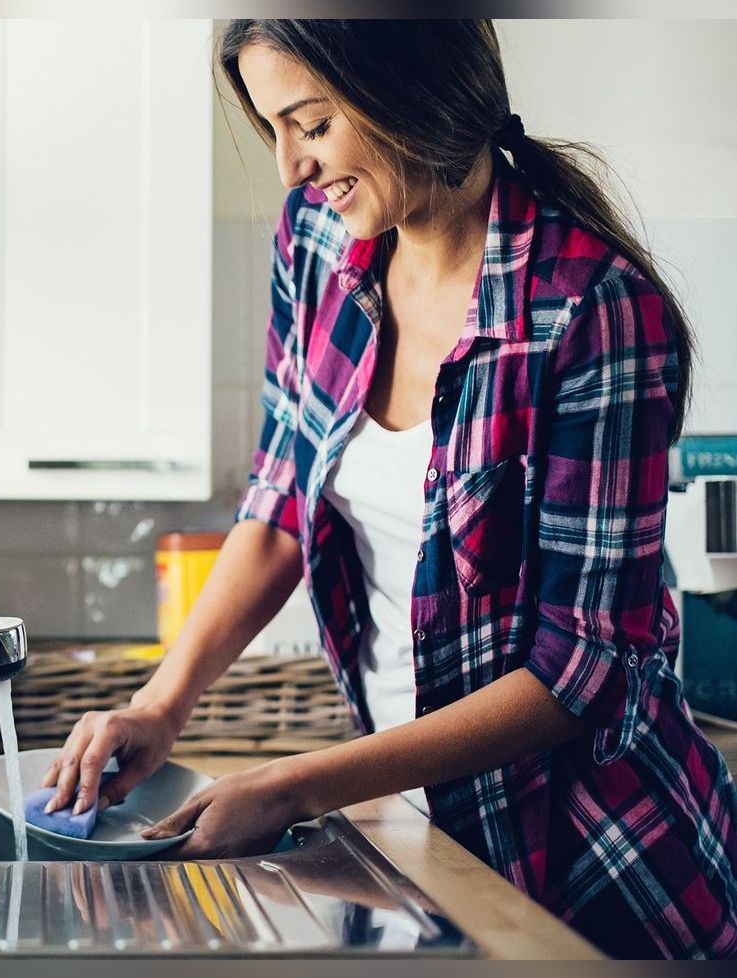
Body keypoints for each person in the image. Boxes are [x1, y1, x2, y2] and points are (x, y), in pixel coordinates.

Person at [39, 20, 737, 959]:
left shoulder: (590, 309)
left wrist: (296, 785)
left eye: (312, 124)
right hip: (411, 837)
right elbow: (281, 504)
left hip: (599, 863)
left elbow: (581, 672)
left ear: (409, 89)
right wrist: (161, 705)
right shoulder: (319, 241)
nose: (290, 166)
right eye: (272, 128)